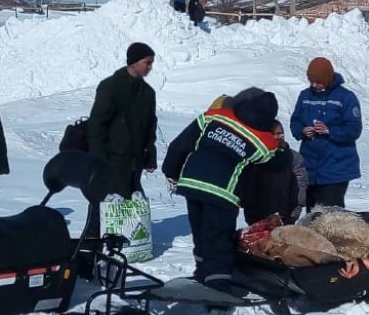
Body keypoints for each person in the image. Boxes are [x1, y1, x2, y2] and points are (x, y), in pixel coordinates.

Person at [163, 88, 287, 294]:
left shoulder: (214, 116)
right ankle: (218, 288)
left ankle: (202, 274)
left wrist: (171, 170)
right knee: (218, 239)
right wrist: (280, 145)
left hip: (192, 183)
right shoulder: (263, 141)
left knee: (201, 234)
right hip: (223, 192)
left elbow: (180, 144)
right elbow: (279, 161)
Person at [85, 42, 158, 236]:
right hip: (111, 156)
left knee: (132, 199)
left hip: (135, 157)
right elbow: (96, 124)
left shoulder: (148, 93)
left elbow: (150, 126)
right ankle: (93, 240)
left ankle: (126, 239)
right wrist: (98, 157)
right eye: (147, 62)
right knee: (106, 199)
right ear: (133, 62)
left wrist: (150, 155)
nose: (150, 67)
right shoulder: (110, 87)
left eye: (151, 63)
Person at [289, 57, 362, 210]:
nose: (315, 85)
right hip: (309, 166)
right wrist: (302, 131)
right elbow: (295, 121)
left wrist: (329, 131)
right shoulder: (305, 96)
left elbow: (354, 129)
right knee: (312, 214)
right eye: (312, 81)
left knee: (330, 215)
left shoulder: (346, 98)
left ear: (328, 79)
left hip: (336, 168)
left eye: (319, 82)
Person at [241, 120, 308, 225]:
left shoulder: (293, 157)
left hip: (286, 215)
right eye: (275, 134)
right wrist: (248, 208)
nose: (279, 136)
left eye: (281, 133)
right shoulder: (255, 157)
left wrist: (298, 206)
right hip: (258, 216)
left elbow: (301, 182)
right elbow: (247, 185)